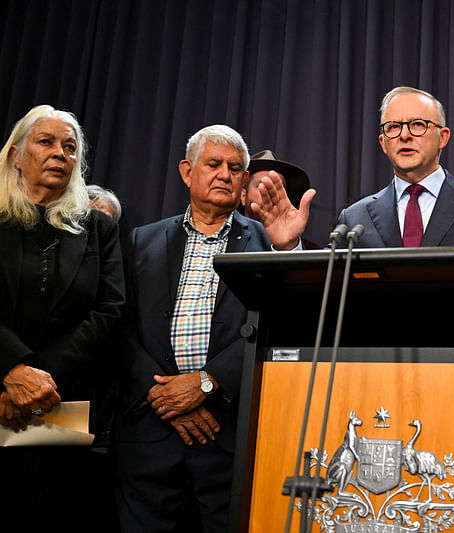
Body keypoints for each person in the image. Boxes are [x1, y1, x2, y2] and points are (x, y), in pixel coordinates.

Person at [254, 86, 454, 306]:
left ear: (443, 137)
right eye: (393, 127)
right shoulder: (353, 219)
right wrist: (288, 249)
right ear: (383, 143)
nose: (405, 135)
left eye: (418, 125)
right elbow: (325, 304)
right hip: (377, 371)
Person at [115, 125, 274, 532]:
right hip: (150, 431)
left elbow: (273, 323)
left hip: (225, 432)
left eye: (235, 168)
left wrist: (205, 384)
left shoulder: (262, 241)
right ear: (187, 171)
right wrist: (161, 393)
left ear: (244, 181)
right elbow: (118, 324)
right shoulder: (142, 239)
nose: (224, 174)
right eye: (214, 164)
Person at [0, 105, 125, 530]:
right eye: (46, 142)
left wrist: (35, 378)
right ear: (17, 155)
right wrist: (9, 371)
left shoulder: (97, 229)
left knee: (47, 513)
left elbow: (110, 312)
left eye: (70, 147)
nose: (60, 153)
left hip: (60, 403)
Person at [240, 149, 308, 219]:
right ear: (243, 196)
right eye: (262, 186)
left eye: (278, 188)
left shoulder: (293, 230)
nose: (271, 193)